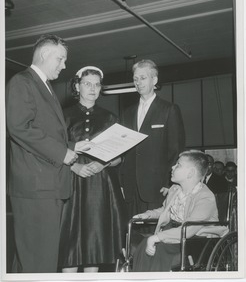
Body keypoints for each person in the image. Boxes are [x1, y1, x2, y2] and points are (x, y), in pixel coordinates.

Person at [6, 34, 91, 273]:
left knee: (34, 259)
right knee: (39, 262)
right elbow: (19, 127)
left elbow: (43, 131)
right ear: (44, 54)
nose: (64, 65)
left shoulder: (42, 85)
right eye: (60, 58)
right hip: (36, 187)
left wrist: (73, 147)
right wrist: (62, 153)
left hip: (45, 185)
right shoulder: (23, 82)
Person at [58, 66, 127, 273]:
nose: (93, 88)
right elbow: (54, 150)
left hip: (100, 187)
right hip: (72, 184)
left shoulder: (110, 117)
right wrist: (75, 167)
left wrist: (104, 163)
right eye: (88, 84)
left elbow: (120, 156)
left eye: (97, 85)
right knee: (69, 244)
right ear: (77, 86)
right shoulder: (63, 115)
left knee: (94, 243)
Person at [132, 150, 227, 272]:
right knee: (144, 244)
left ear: (190, 173)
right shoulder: (175, 190)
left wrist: (156, 237)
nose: (172, 167)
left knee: (158, 248)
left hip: (195, 239)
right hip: (174, 233)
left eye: (178, 165)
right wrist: (147, 215)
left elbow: (190, 229)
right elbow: (165, 210)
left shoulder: (205, 196)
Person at [121, 59, 185, 220]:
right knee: (131, 234)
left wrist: (170, 183)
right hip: (130, 187)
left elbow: (176, 149)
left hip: (157, 186)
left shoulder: (169, 110)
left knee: (153, 234)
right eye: (135, 79)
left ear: (154, 80)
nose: (138, 82)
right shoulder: (127, 113)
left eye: (143, 78)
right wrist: (122, 182)